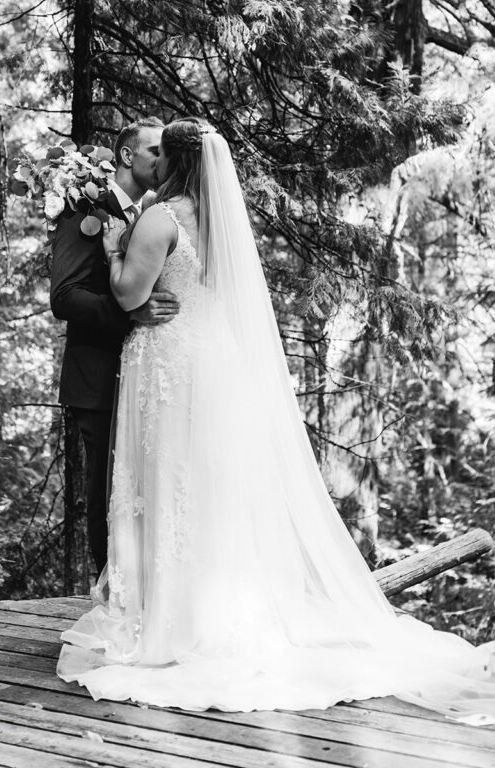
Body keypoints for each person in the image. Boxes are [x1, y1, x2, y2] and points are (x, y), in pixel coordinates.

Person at [56, 116, 495, 722]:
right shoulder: (219, 223)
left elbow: (131, 296)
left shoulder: (160, 217)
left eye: (161, 155)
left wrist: (111, 254)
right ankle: (212, 609)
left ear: (174, 161)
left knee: (165, 487)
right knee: (206, 491)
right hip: (214, 365)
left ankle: (165, 619)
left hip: (168, 366)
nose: (152, 163)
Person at [50, 117, 179, 576]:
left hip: (144, 376)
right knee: (109, 495)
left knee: (139, 495)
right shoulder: (84, 210)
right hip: (98, 380)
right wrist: (129, 312)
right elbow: (64, 296)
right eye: (154, 153)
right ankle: (107, 601)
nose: (163, 161)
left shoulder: (148, 213)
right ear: (127, 156)